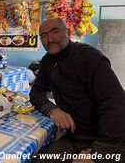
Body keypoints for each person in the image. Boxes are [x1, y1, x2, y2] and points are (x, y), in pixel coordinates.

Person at [30, 18, 125, 163]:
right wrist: (52, 110)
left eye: (54, 31)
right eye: (43, 35)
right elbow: (36, 92)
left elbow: (115, 105)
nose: (49, 39)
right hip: (76, 137)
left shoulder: (89, 57)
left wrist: (97, 153)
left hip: (110, 141)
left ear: (67, 32)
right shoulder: (47, 61)